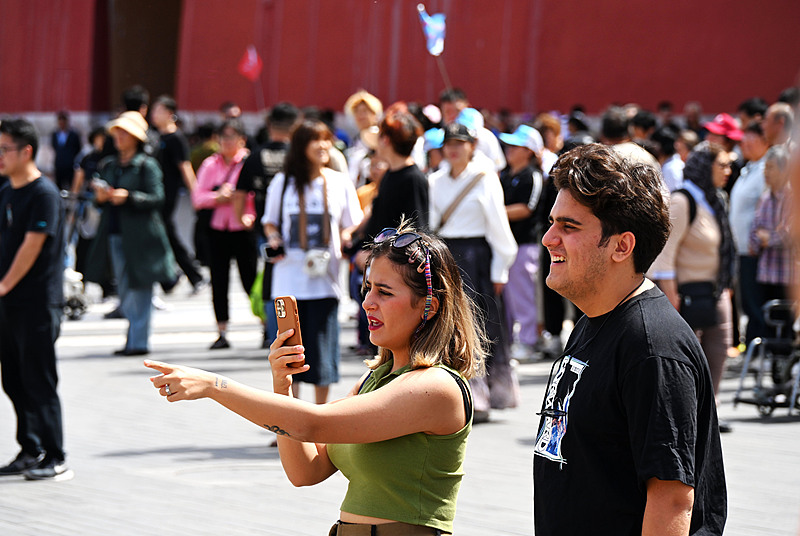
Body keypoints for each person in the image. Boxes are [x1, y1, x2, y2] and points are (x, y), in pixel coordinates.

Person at [145, 223, 484, 534]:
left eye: (384, 292)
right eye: (367, 289)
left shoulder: (436, 386)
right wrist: (283, 386)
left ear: (430, 306)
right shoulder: (376, 379)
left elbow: (313, 424)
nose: (367, 302)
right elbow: (305, 472)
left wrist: (213, 386)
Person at [534, 143, 726, 535]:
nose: (548, 238)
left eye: (568, 226)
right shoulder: (596, 317)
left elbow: (671, 498)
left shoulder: (653, 347)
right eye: (553, 223)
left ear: (622, 245)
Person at [263, 119, 363, 404]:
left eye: (326, 140)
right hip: (288, 279)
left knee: (321, 354)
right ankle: (293, 419)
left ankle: (320, 418)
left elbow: (351, 224)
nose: (323, 146)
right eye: (315, 140)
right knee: (289, 353)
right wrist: (274, 239)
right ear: (300, 146)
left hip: (325, 280)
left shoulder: (338, 181)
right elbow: (269, 222)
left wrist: (345, 236)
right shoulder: (283, 182)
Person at [429, 123, 518, 419]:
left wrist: (500, 271)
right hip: (445, 257)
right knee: (448, 326)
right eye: (449, 143)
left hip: (477, 258)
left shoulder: (485, 178)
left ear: (472, 146)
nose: (454, 149)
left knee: (481, 326)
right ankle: (455, 392)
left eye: (460, 143)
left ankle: (485, 394)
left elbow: (499, 229)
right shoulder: (435, 181)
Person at [0, 118, 72, 481]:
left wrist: (3, 285)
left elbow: (32, 246)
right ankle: (30, 449)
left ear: (26, 151)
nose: (0, 156)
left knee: (39, 380)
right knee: (12, 379)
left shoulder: (43, 194)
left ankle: (55, 455)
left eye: (4, 149)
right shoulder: (6, 191)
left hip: (37, 303)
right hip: (8, 305)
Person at [651, 143, 736, 432]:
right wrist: (671, 297)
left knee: (720, 349)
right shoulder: (683, 200)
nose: (728, 170)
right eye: (722, 164)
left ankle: (709, 411)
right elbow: (666, 254)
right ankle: (685, 414)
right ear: (704, 166)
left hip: (716, 290)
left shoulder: (716, 200)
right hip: (687, 294)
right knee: (688, 357)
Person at [85, 111, 177, 356]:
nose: (119, 137)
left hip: (143, 237)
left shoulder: (147, 165)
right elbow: (98, 202)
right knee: (124, 288)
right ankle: (133, 339)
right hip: (115, 234)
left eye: (124, 133)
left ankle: (139, 341)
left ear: (136, 138)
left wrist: (129, 196)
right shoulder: (110, 165)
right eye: (117, 132)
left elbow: (158, 198)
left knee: (141, 287)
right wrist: (101, 197)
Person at [236, 102, 299, 347]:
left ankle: (272, 330)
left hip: (266, 229)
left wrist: (242, 217)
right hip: (299, 230)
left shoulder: (255, 156)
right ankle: (294, 330)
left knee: (272, 279)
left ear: (269, 125)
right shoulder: (298, 157)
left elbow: (240, 192)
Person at [192, 119, 257, 350]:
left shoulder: (250, 162)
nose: (226, 142)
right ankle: (221, 331)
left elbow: (257, 194)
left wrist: (246, 209)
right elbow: (197, 198)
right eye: (223, 138)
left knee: (250, 278)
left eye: (232, 137)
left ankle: (265, 324)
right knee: (219, 280)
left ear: (242, 140)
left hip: (243, 228)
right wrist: (217, 198)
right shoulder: (210, 164)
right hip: (217, 229)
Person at [149, 95, 206, 294]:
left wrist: (196, 195)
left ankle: (186, 276)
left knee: (164, 234)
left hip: (167, 194)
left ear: (169, 113)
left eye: (157, 110)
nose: (153, 114)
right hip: (156, 193)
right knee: (163, 234)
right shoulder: (158, 137)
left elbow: (185, 168)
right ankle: (174, 277)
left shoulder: (176, 138)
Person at [497, 124, 545, 358]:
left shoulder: (532, 176)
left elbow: (527, 208)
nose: (509, 150)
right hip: (504, 244)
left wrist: (495, 212)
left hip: (525, 243)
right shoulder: (505, 175)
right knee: (505, 295)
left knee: (523, 293)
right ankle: (509, 340)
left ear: (529, 151)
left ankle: (528, 340)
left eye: (516, 146)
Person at [729, 123, 770, 345]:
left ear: (764, 142)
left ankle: (760, 346)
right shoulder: (748, 169)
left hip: (755, 250)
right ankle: (754, 344)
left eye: (750, 140)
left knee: (755, 302)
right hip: (742, 249)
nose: (743, 144)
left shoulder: (765, 171)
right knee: (747, 301)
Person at [749, 145, 793, 303]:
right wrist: (768, 237)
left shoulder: (793, 198)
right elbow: (754, 233)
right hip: (766, 274)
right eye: (765, 167)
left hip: (788, 277)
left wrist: (769, 238)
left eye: (771, 168)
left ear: (784, 170)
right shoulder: (765, 198)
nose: (765, 172)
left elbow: (790, 236)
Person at [343, 90, 383, 186]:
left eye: (365, 111)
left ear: (375, 115)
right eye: (357, 112)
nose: (360, 116)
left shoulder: (378, 137)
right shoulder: (357, 139)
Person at [50, 110, 82, 191]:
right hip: (59, 163)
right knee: (58, 186)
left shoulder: (73, 134)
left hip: (70, 164)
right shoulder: (55, 134)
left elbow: (78, 147)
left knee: (70, 185)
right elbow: (53, 146)